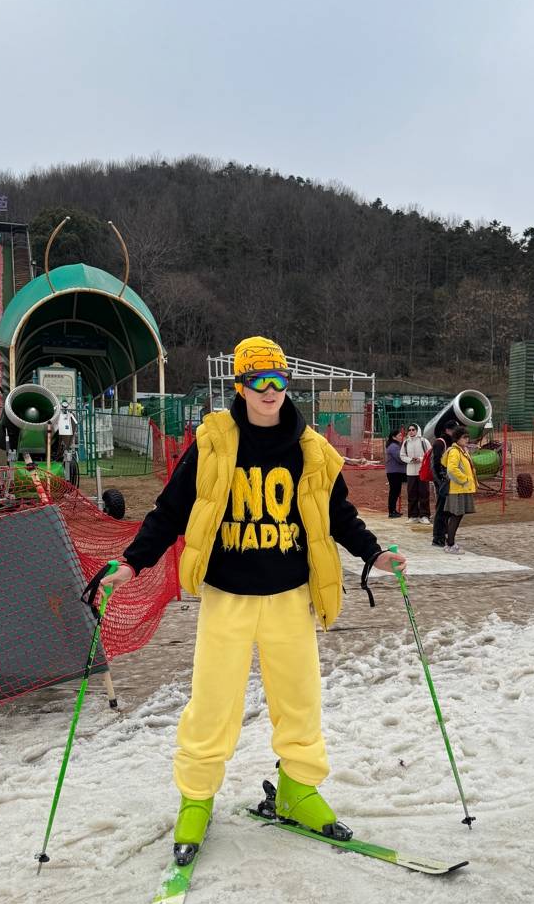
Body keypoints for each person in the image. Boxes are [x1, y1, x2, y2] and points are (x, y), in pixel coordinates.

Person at [96, 336, 407, 864]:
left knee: (300, 700)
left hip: (290, 596)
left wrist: (373, 554)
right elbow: (170, 511)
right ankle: (197, 797)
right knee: (214, 703)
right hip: (228, 596)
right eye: (257, 380)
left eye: (278, 379)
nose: (269, 390)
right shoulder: (214, 443)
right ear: (240, 386)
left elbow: (338, 515)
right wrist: (132, 563)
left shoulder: (311, 448)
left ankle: (298, 789)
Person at [441, 425, 477, 554]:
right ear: (457, 438)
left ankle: (449, 542)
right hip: (458, 489)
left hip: (462, 489)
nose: (467, 439)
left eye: (467, 437)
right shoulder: (455, 451)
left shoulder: (462, 450)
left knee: (457, 516)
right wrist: (464, 479)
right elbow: (452, 469)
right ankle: (450, 544)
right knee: (456, 516)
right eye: (464, 437)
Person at [400, 423, 432, 524]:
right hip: (410, 472)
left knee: (424, 493)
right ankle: (413, 515)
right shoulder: (406, 442)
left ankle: (424, 515)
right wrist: (410, 460)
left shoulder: (424, 441)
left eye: (413, 429)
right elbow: (402, 455)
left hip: (422, 471)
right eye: (409, 430)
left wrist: (420, 459)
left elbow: (430, 454)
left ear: (417, 430)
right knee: (411, 494)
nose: (411, 431)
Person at [429, 421, 454, 547]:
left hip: (447, 480)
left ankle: (443, 533)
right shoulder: (440, 443)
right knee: (441, 508)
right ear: (448, 430)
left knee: (447, 509)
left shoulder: (451, 443)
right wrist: (441, 480)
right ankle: (438, 537)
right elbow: (436, 463)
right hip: (442, 481)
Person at [385, 426, 406, 517]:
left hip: (396, 472)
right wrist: (408, 460)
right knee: (394, 492)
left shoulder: (395, 446)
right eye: (399, 435)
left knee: (395, 491)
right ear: (394, 437)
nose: (401, 437)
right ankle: (392, 511)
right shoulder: (394, 447)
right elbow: (400, 458)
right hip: (395, 472)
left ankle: (393, 510)